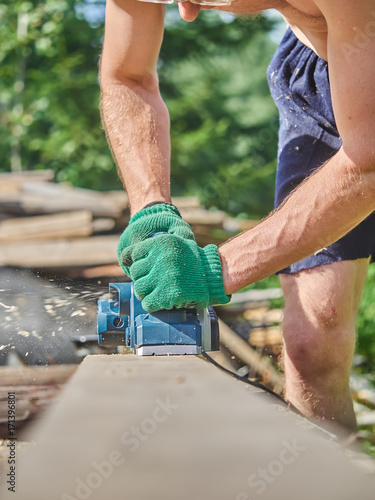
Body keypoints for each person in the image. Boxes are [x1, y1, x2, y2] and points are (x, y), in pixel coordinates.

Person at [100, 0, 375, 434]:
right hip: (325, 61)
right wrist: (152, 212)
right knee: (311, 344)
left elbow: (367, 163)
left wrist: (213, 272)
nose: (187, 9)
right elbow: (126, 76)